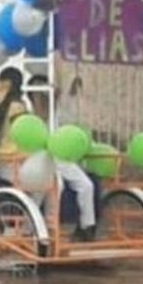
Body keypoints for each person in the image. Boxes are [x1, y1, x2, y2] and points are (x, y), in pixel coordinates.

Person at [27, 74, 99, 241]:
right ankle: (33, 228)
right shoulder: (31, 114)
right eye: (39, 92)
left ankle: (86, 226)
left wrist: (70, 91)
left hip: (60, 156)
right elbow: (41, 116)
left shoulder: (57, 109)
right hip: (41, 159)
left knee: (86, 185)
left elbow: (70, 114)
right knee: (50, 188)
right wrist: (44, 99)